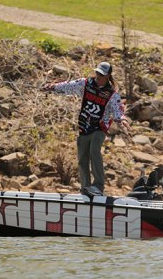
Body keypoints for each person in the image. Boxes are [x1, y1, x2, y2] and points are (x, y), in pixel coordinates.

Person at [44, 61, 131, 194]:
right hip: (84, 126)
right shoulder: (85, 83)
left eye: (101, 75)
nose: (98, 77)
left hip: (99, 128)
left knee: (94, 150)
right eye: (97, 73)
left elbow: (118, 110)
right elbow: (69, 86)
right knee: (82, 160)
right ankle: (85, 188)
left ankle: (98, 186)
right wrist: (53, 87)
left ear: (108, 76)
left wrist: (122, 119)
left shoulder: (112, 94)